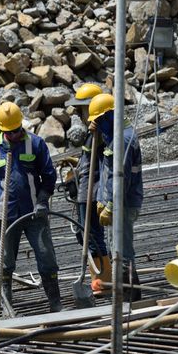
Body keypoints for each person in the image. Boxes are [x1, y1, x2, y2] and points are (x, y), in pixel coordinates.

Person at [0, 102, 62, 313]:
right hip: (4, 214)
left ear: (22, 125)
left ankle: (55, 302)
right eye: (9, 132)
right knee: (5, 261)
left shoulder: (36, 144)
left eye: (17, 130)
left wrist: (42, 200)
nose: (14, 135)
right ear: (2, 129)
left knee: (46, 255)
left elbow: (49, 176)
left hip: (34, 213)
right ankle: (6, 306)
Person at [88, 93, 144, 301]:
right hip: (119, 202)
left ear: (110, 115)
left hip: (124, 203)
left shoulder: (124, 139)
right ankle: (129, 295)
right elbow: (108, 170)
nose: (99, 124)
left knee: (123, 252)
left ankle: (130, 298)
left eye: (100, 120)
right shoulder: (116, 133)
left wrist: (110, 204)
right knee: (117, 250)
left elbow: (122, 176)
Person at [62, 83, 111, 296]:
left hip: (92, 191)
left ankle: (103, 280)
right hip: (84, 189)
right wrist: (78, 163)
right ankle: (97, 277)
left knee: (92, 236)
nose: (79, 114)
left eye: (82, 109)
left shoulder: (100, 133)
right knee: (84, 235)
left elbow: (103, 164)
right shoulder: (92, 134)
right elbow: (89, 159)